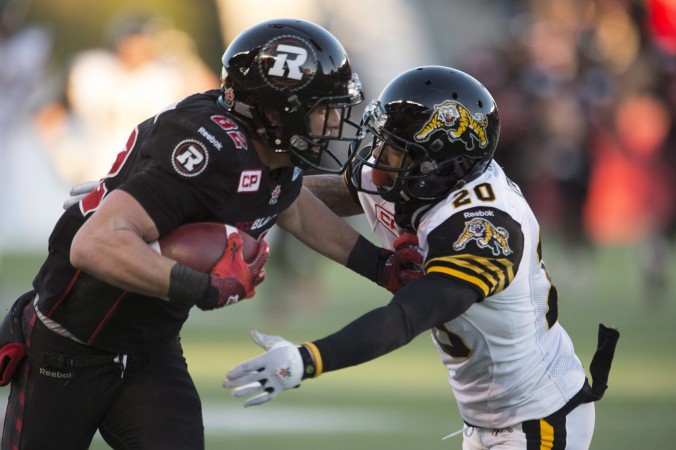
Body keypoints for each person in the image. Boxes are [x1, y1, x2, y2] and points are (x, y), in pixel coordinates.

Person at [0, 19, 422, 450]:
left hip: (151, 352)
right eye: (322, 108)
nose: (334, 121)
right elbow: (93, 245)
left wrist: (378, 264)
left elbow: (288, 200)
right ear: (275, 112)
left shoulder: (270, 147)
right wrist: (203, 286)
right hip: (70, 347)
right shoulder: (208, 149)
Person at [223, 66, 620, 449]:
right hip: (488, 415)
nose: (377, 156)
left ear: (435, 162)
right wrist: (248, 193)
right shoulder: (422, 177)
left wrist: (306, 359)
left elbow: (406, 317)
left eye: (394, 148)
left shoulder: (485, 227)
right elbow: (332, 193)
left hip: (538, 419)